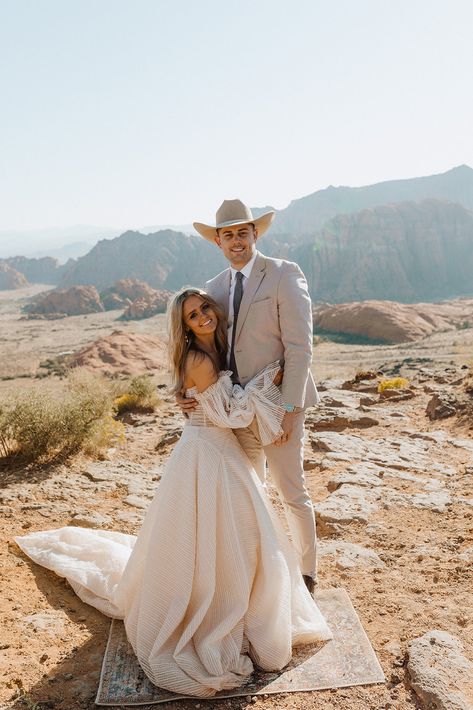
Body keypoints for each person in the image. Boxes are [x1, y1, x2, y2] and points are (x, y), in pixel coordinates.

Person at [15, 288, 332, 700]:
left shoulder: (211, 348)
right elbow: (229, 413)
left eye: (204, 308)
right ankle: (217, 615)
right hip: (208, 454)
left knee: (240, 538)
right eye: (192, 316)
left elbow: (222, 405)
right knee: (226, 539)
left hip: (220, 451)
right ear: (183, 326)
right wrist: (264, 382)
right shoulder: (199, 359)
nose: (202, 317)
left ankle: (244, 608)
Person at [182, 199, 319, 593]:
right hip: (234, 410)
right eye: (228, 234)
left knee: (292, 491)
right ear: (218, 242)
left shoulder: (283, 274)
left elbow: (299, 348)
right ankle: (260, 578)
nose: (237, 240)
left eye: (244, 232)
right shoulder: (212, 288)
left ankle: (308, 575)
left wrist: (290, 410)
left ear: (255, 234)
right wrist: (185, 393)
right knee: (248, 494)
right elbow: (205, 346)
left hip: (278, 404)